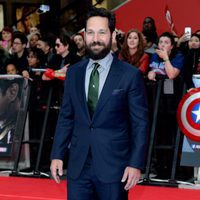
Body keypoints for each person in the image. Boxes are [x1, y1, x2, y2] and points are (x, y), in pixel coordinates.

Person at [50, 7, 148, 200]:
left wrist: (135, 163)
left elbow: (140, 124)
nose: (96, 38)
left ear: (112, 34)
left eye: (102, 32)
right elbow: (66, 116)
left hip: (114, 167)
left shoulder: (130, 75)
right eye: (91, 32)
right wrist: (57, 154)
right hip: (78, 166)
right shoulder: (74, 73)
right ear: (85, 35)